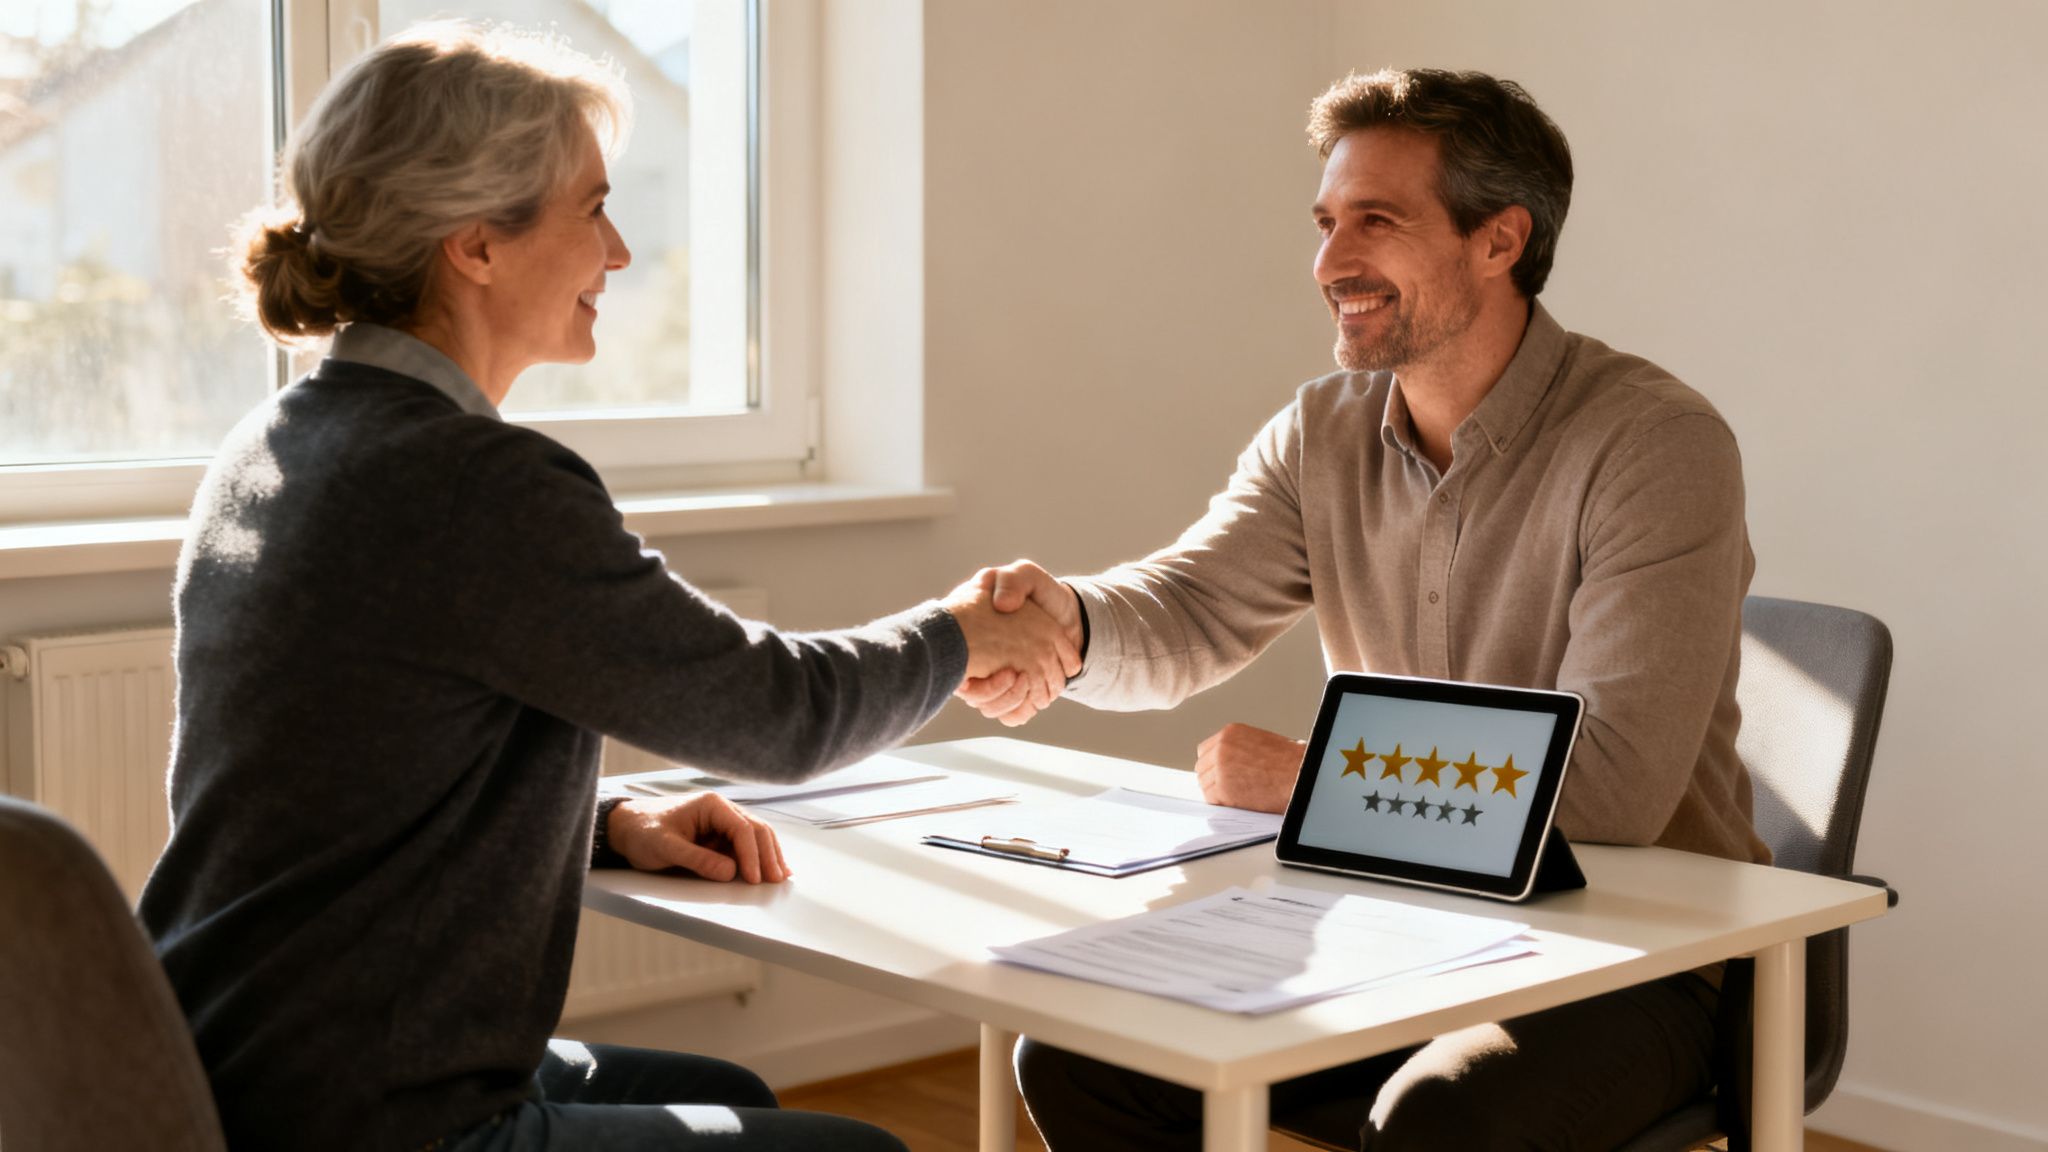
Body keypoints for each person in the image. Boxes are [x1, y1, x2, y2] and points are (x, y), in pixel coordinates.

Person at [136, 22, 1073, 1152]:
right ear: (476, 246)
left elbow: (339, 774)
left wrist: (604, 821)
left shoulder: (282, 440)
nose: (618, 251)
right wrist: (959, 635)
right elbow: (777, 716)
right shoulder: (469, 482)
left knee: (740, 1098)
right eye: (591, 208)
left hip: (228, 1062)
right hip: (375, 1114)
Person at [957, 68, 1768, 1151]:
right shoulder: (1321, 430)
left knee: (1443, 1118)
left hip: (1638, 958)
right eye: (1326, 221)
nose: (1331, 262)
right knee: (1079, 1055)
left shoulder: (1653, 444)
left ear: (1499, 240)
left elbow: (1612, 787)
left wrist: (1310, 780)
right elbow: (1190, 608)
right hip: (1398, 926)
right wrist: (1064, 624)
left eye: (1375, 222)